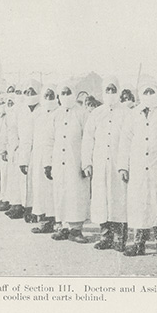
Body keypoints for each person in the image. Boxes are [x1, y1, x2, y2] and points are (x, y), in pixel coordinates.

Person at [118, 77, 157, 257]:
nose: (148, 95)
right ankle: (138, 243)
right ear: (140, 94)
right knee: (139, 205)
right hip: (138, 167)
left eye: (151, 91)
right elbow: (125, 141)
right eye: (145, 92)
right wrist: (123, 166)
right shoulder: (133, 114)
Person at [82, 77, 129, 251]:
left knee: (119, 200)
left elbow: (129, 140)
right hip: (100, 163)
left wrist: (125, 165)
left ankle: (120, 238)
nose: (110, 93)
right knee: (102, 200)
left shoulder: (126, 113)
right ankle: (106, 236)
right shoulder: (97, 113)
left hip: (119, 164)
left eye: (113, 89)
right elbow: (88, 139)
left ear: (118, 91)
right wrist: (87, 163)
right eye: (107, 90)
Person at [48, 81, 90, 244]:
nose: (66, 96)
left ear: (74, 94)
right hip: (59, 162)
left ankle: (76, 229)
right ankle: (63, 227)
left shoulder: (82, 113)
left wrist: (85, 163)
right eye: (63, 93)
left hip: (75, 162)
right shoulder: (55, 115)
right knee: (61, 193)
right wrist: (48, 163)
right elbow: (49, 140)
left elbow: (87, 140)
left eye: (68, 93)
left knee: (76, 194)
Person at [26, 84, 59, 233]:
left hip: (53, 157)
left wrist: (50, 161)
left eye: (51, 96)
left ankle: (54, 220)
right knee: (40, 189)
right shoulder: (38, 115)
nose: (48, 98)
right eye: (46, 96)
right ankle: (44, 220)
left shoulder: (59, 113)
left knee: (53, 191)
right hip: (38, 157)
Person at [16, 79, 42, 222]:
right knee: (25, 181)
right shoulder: (22, 111)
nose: (30, 94)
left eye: (33, 91)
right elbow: (23, 136)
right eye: (27, 91)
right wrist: (23, 159)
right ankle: (27, 208)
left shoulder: (43, 109)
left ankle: (38, 212)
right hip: (26, 151)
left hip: (39, 151)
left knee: (38, 183)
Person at [0, 91, 25, 218]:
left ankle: (19, 205)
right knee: (11, 179)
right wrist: (3, 149)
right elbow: (4, 134)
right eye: (8, 101)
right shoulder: (8, 116)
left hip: (19, 150)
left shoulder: (20, 114)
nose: (9, 103)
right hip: (11, 151)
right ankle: (13, 204)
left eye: (11, 101)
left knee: (18, 180)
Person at [0, 93, 14, 212]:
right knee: (1, 176)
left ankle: (6, 200)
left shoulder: (8, 117)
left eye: (3, 103)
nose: (1, 105)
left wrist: (4, 150)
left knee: (6, 177)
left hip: (6, 151)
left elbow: (6, 136)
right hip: (0, 151)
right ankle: (1, 197)